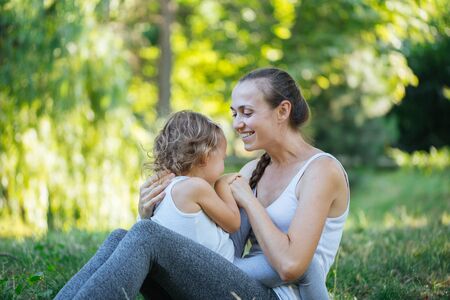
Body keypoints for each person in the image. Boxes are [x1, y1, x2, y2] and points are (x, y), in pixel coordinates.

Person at [55, 67, 349, 300]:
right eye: (235, 114)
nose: (236, 124)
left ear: (282, 111)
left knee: (145, 235)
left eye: (247, 112)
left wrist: (248, 200)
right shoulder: (252, 170)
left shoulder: (320, 171)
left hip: (275, 295)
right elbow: (221, 246)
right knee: (123, 236)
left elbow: (291, 266)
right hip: (235, 283)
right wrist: (153, 213)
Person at [148, 110, 240, 262]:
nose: (223, 166)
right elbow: (234, 224)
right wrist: (221, 185)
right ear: (205, 156)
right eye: (222, 158)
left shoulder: (164, 187)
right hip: (224, 270)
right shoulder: (197, 187)